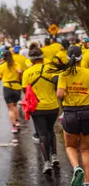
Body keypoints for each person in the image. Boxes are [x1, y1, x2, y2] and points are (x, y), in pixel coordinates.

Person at [51, 46, 89, 186]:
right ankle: (87, 182)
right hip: (87, 113)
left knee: (70, 146)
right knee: (85, 149)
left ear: (68, 58)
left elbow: (60, 94)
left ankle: (76, 168)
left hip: (70, 113)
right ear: (81, 58)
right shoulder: (87, 72)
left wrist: (69, 94)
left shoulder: (64, 74)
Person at [22, 47, 59, 174]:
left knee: (42, 134)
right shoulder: (50, 68)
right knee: (51, 131)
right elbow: (57, 83)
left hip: (37, 108)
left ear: (31, 60)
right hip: (53, 106)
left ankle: (47, 163)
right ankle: (55, 156)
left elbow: (24, 91)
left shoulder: (27, 73)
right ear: (42, 58)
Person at [0, 51, 22, 134]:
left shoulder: (1, 66)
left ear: (3, 58)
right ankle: (17, 122)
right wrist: (19, 77)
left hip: (7, 87)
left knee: (10, 109)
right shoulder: (16, 64)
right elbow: (20, 71)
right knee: (15, 106)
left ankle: (14, 127)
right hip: (17, 87)